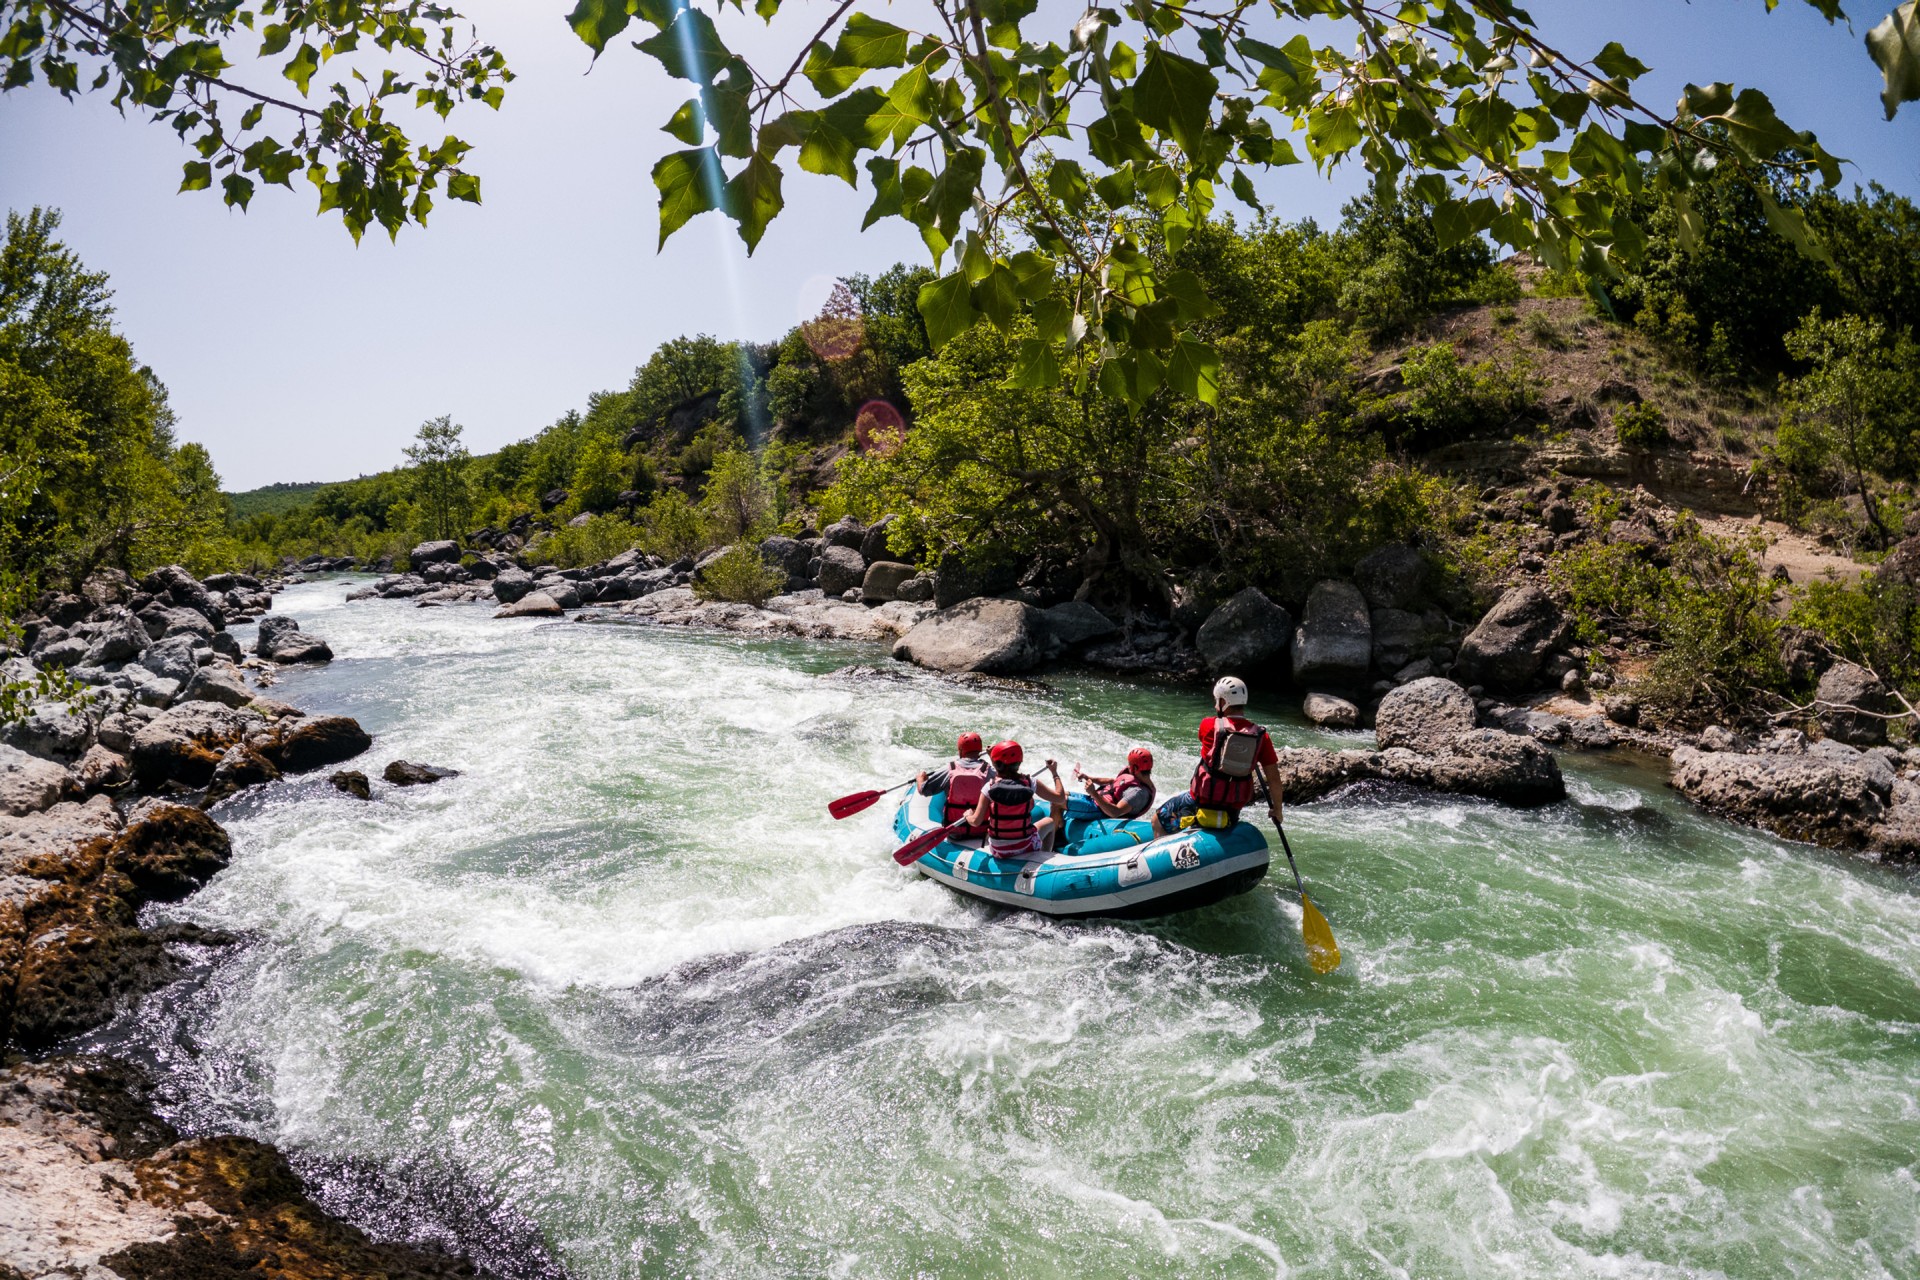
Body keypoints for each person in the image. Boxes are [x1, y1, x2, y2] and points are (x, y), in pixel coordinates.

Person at [1152, 676, 1284, 836]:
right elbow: (1274, 778)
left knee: (1157, 820)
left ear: (1223, 702)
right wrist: (1277, 810)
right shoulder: (1261, 736)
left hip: (1199, 802)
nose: (1215, 704)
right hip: (1232, 809)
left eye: (1217, 700)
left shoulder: (1208, 725)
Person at [965, 740, 1068, 858]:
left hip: (998, 850)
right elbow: (1060, 798)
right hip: (1025, 846)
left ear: (995, 763)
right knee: (1049, 822)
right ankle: (1043, 857)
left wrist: (968, 815)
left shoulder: (989, 787)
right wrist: (1054, 773)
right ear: (1020, 762)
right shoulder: (1031, 783)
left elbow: (976, 821)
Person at [917, 732, 991, 831]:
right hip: (982, 830)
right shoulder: (988, 770)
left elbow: (924, 790)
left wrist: (920, 778)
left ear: (960, 751)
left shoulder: (950, 769)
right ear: (980, 750)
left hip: (954, 831)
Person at [1073, 747, 1157, 820]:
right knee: (1064, 795)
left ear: (1135, 768)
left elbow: (1115, 812)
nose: (1128, 766)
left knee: (1060, 798)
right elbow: (1112, 782)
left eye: (1130, 764)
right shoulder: (1135, 775)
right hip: (1096, 801)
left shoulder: (1138, 793)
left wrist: (1093, 793)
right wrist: (1087, 777)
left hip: (1100, 811)